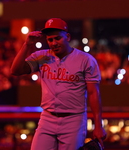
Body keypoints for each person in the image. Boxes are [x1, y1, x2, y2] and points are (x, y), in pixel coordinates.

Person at [10, 18, 106, 150]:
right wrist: (26, 45)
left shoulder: (85, 60)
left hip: (73, 120)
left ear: (67, 37)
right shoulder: (42, 57)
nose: (53, 43)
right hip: (47, 117)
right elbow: (15, 70)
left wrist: (98, 125)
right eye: (50, 40)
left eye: (57, 38)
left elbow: (93, 93)